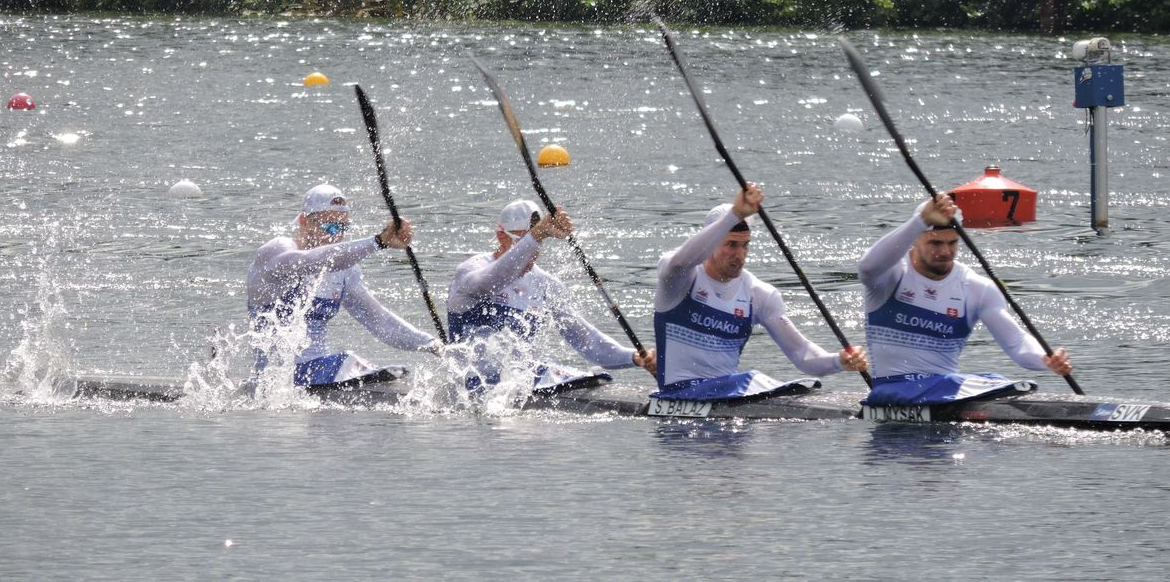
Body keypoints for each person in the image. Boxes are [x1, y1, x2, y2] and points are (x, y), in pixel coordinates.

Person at [652, 183, 867, 400]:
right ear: (711, 242)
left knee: (807, 386)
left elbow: (800, 353)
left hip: (727, 397)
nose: (740, 254)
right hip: (677, 393)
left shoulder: (758, 293)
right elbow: (679, 263)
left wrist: (838, 361)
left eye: (745, 245)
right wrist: (735, 214)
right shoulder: (679, 279)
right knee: (755, 378)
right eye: (731, 245)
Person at [856, 192, 1073, 405]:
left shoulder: (977, 288)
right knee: (992, 385)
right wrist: (921, 220)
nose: (945, 251)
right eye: (935, 244)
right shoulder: (891, 275)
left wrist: (1044, 359)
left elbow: (1016, 342)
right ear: (915, 240)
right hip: (892, 389)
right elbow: (867, 268)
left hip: (946, 392)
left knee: (996, 380)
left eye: (952, 243)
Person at [446, 199, 656, 389]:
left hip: (519, 381)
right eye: (523, 242)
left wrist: (634, 357)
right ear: (500, 236)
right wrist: (535, 235)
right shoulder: (471, 270)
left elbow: (585, 339)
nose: (532, 251)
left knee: (596, 378)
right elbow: (490, 281)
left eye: (539, 242)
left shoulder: (545, 284)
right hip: (473, 382)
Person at [247, 184, 440, 386]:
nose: (335, 235)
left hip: (319, 374)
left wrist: (431, 344)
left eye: (342, 228)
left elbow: (380, 322)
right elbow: (317, 260)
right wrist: (379, 241)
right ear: (304, 221)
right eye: (329, 226)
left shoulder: (346, 271)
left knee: (396, 376)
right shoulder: (277, 250)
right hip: (276, 381)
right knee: (349, 361)